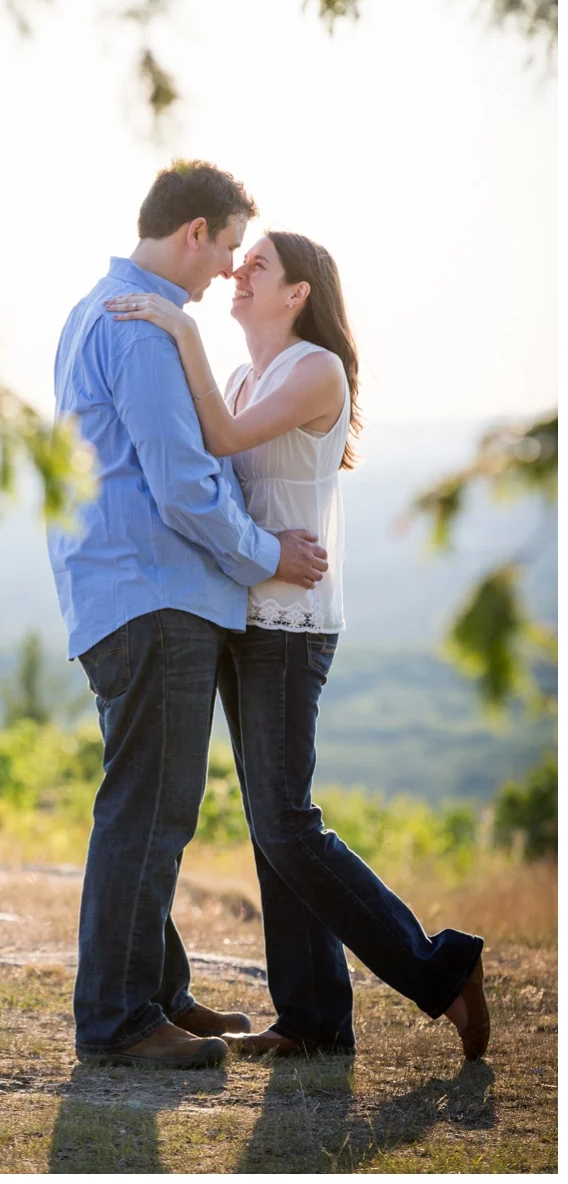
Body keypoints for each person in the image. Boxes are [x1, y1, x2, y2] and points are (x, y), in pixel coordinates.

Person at [106, 229, 489, 1061]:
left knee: (285, 823)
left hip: (291, 626)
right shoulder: (248, 374)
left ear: (298, 293)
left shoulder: (317, 367)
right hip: (244, 618)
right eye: (239, 265)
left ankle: (440, 969)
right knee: (269, 823)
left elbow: (221, 441)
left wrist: (178, 326)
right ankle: (314, 1020)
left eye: (258, 267)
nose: (239, 276)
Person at [48, 159, 331, 1071]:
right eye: (229, 250)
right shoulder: (139, 329)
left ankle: (157, 997)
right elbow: (183, 482)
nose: (225, 274)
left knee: (149, 802)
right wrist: (267, 553)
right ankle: (122, 1022)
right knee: (149, 810)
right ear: (193, 235)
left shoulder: (100, 306)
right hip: (155, 593)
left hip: (127, 592)